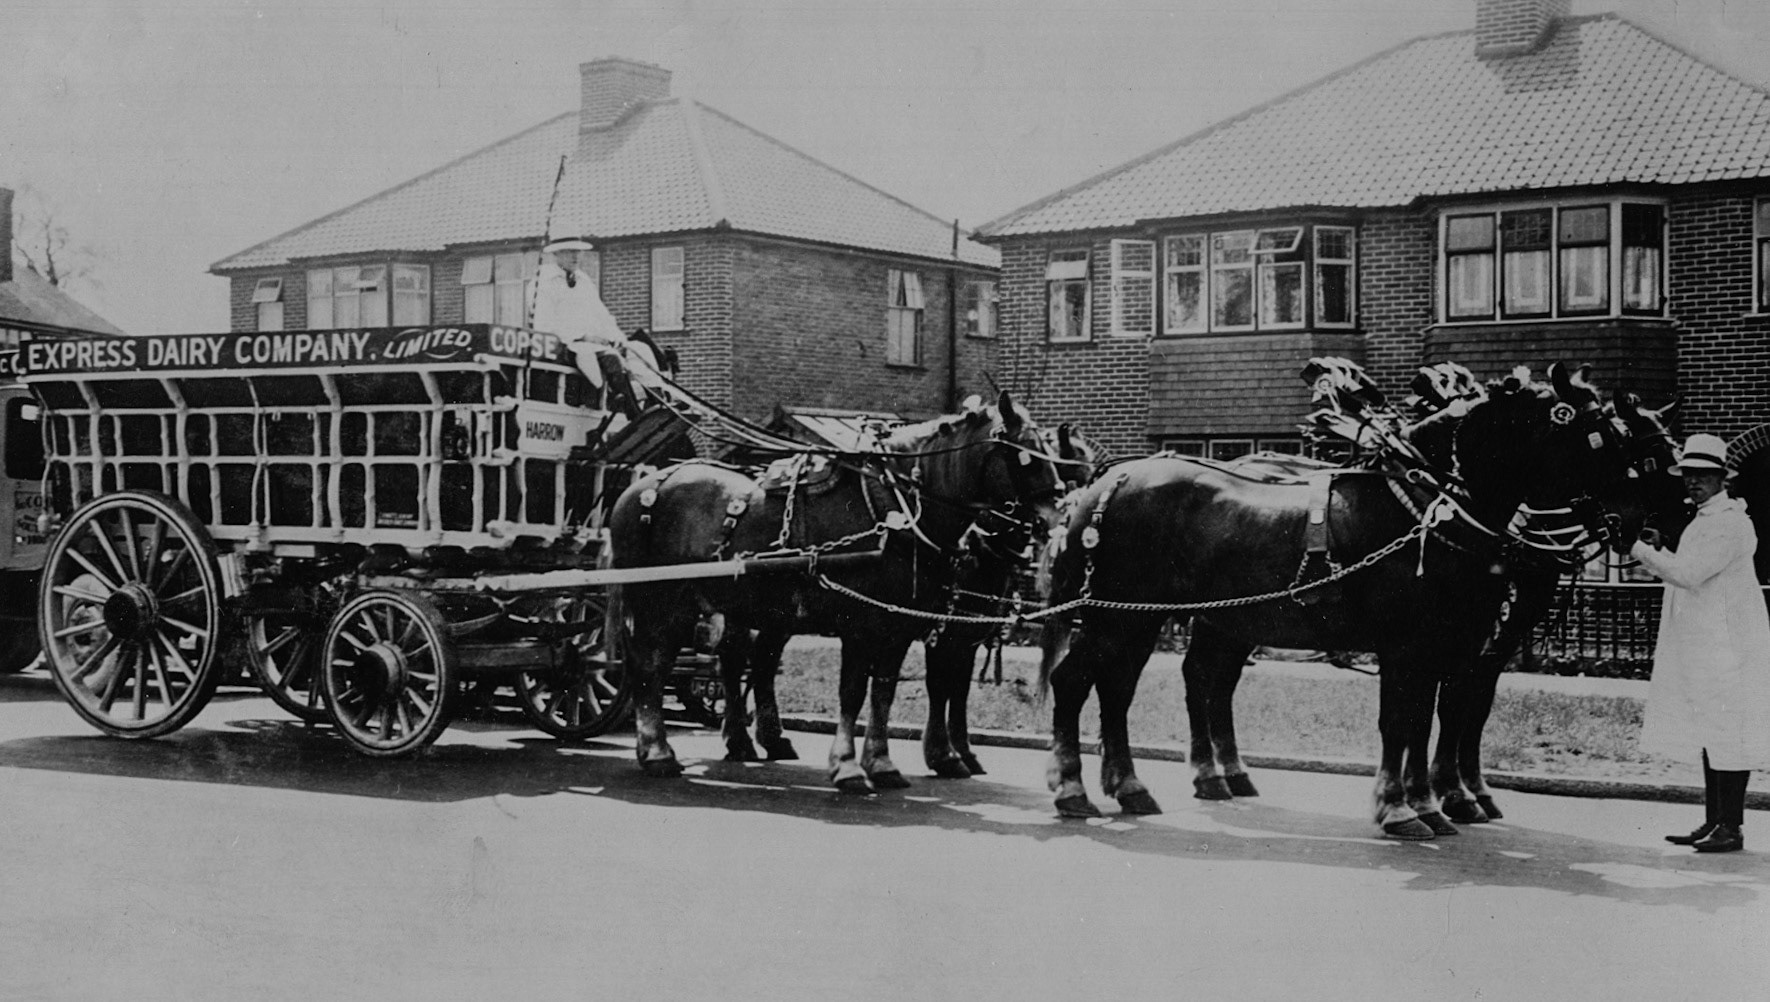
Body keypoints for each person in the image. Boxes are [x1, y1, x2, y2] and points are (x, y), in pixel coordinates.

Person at [1631, 433, 1770, 853]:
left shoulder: (1730, 522)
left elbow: (1690, 575)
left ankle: (1733, 826)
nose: (1694, 482)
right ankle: (1714, 820)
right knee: (1714, 730)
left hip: (1730, 645)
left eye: (1704, 476)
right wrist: (1663, 549)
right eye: (1689, 475)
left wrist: (1638, 550)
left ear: (1722, 479)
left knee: (1730, 732)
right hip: (1710, 641)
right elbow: (1692, 569)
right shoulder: (1707, 518)